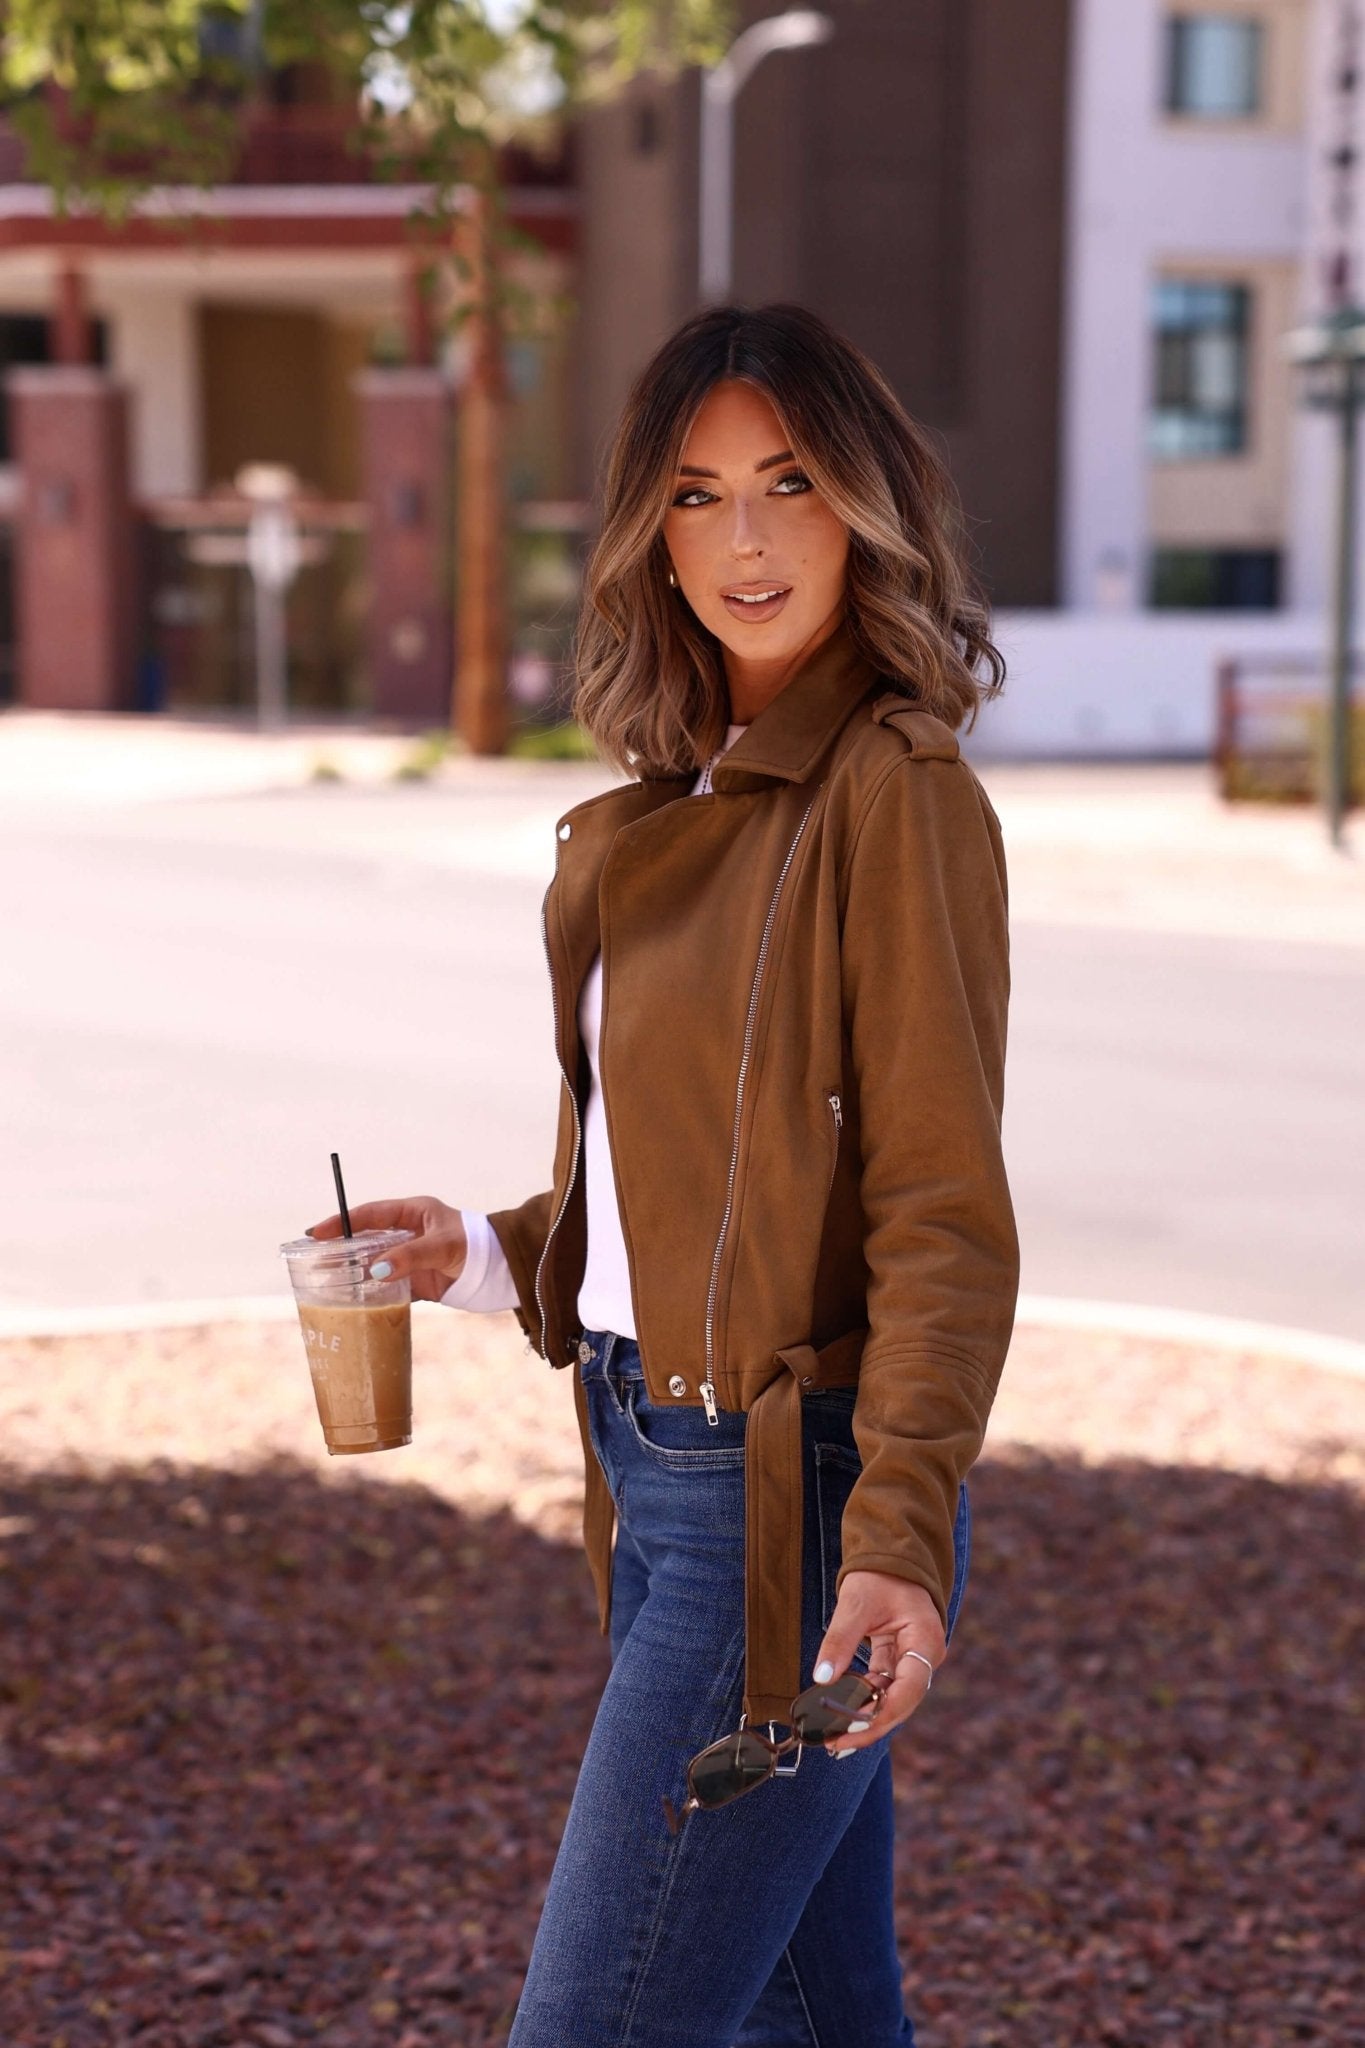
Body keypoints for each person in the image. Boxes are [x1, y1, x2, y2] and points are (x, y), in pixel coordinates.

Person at [309, 302, 1019, 2048]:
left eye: (789, 483)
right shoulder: (686, 794)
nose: (749, 537)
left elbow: (935, 1211)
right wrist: (479, 1250)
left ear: (864, 502)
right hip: (650, 1465)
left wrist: (903, 1539)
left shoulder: (892, 789)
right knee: (813, 2012)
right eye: (699, 496)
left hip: (779, 1506)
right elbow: (696, 1185)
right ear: (650, 530)